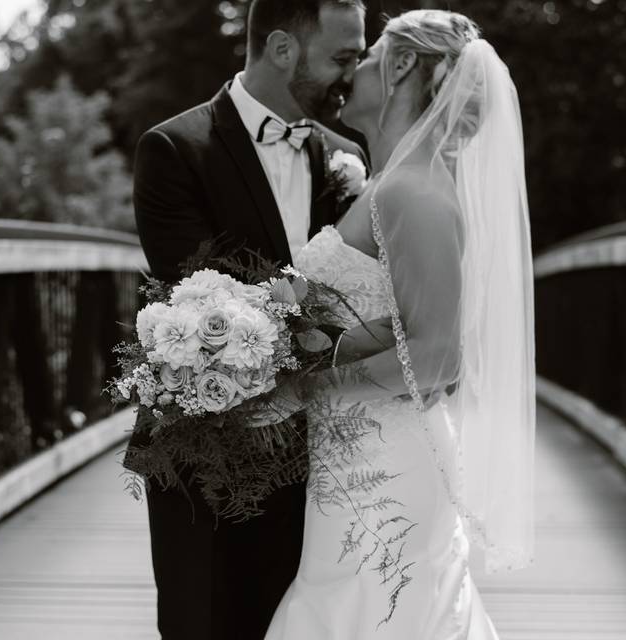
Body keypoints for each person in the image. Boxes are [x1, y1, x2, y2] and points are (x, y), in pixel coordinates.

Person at [260, 10, 537, 639]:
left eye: (369, 53)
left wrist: (302, 390)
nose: (351, 69)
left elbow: (440, 357)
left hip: (388, 467)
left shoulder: (413, 193)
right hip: (355, 457)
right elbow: (400, 326)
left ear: (403, 64)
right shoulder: (393, 184)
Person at [125, 1, 369, 638]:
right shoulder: (176, 149)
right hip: (210, 449)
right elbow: (201, 296)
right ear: (283, 49)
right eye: (343, 57)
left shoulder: (348, 158)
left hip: (322, 452)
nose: (356, 72)